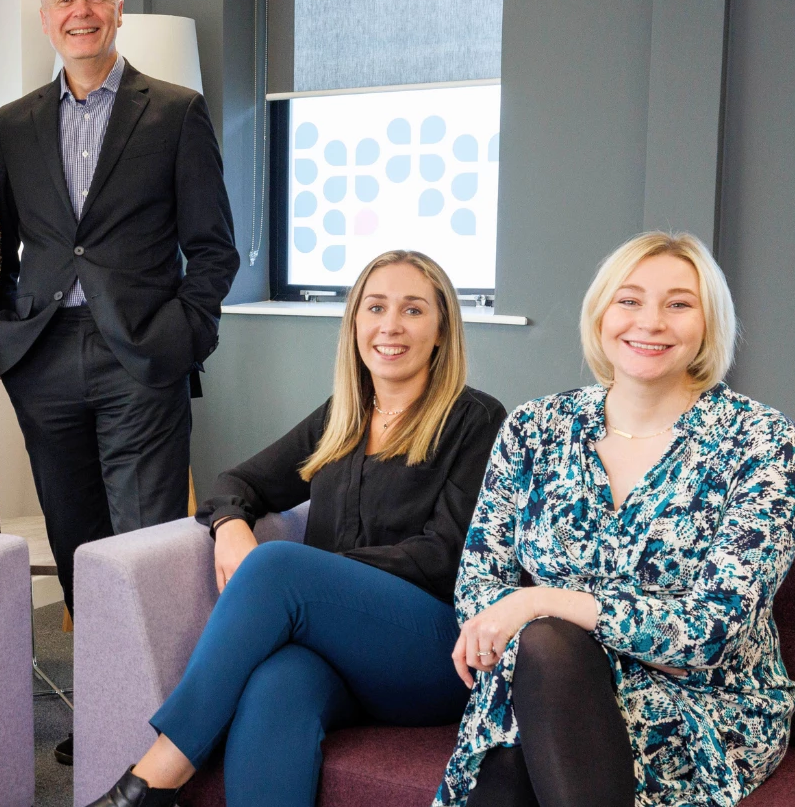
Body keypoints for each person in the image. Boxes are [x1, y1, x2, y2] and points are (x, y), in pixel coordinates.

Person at [84, 252, 506, 807]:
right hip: (336, 654)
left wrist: (310, 584)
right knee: (275, 683)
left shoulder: (476, 420)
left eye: (413, 310)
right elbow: (237, 481)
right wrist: (231, 524)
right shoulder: (343, 417)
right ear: (355, 322)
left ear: (441, 329)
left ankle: (155, 776)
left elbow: (446, 555)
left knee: (279, 565)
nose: (390, 325)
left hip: (435, 654)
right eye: (375, 307)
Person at [437, 232, 795, 807]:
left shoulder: (761, 442)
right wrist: (538, 627)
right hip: (545, 680)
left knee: (523, 727)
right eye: (629, 300)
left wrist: (544, 601)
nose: (651, 322)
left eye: (679, 304)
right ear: (601, 313)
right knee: (530, 708)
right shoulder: (536, 428)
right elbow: (480, 588)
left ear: (709, 323)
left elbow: (712, 631)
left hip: (704, 702)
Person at [0, 0, 238, 626]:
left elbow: (213, 249)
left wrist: (182, 338)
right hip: (43, 358)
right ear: (46, 21)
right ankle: (101, 715)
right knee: (75, 540)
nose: (81, 12)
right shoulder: (11, 125)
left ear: (118, 10)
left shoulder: (176, 112)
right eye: (65, 1)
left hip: (142, 357)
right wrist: (8, 332)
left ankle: (154, 719)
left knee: (144, 544)